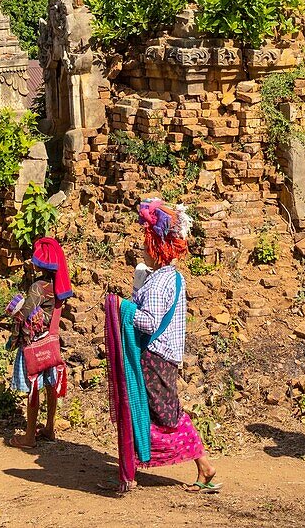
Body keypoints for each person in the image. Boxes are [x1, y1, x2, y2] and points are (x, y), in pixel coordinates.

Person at [104, 198, 220, 494]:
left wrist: (122, 306)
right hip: (160, 357)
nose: (143, 251)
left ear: (157, 248)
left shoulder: (160, 284)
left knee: (164, 414)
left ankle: (203, 466)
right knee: (149, 410)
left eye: (146, 246)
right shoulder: (167, 278)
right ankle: (132, 468)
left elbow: (147, 323)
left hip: (154, 358)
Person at [8, 236, 73, 449]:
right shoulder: (58, 285)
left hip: (35, 344)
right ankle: (49, 427)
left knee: (33, 387)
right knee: (50, 385)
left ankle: (29, 436)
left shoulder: (38, 286)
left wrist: (14, 315)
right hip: (51, 341)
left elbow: (25, 313)